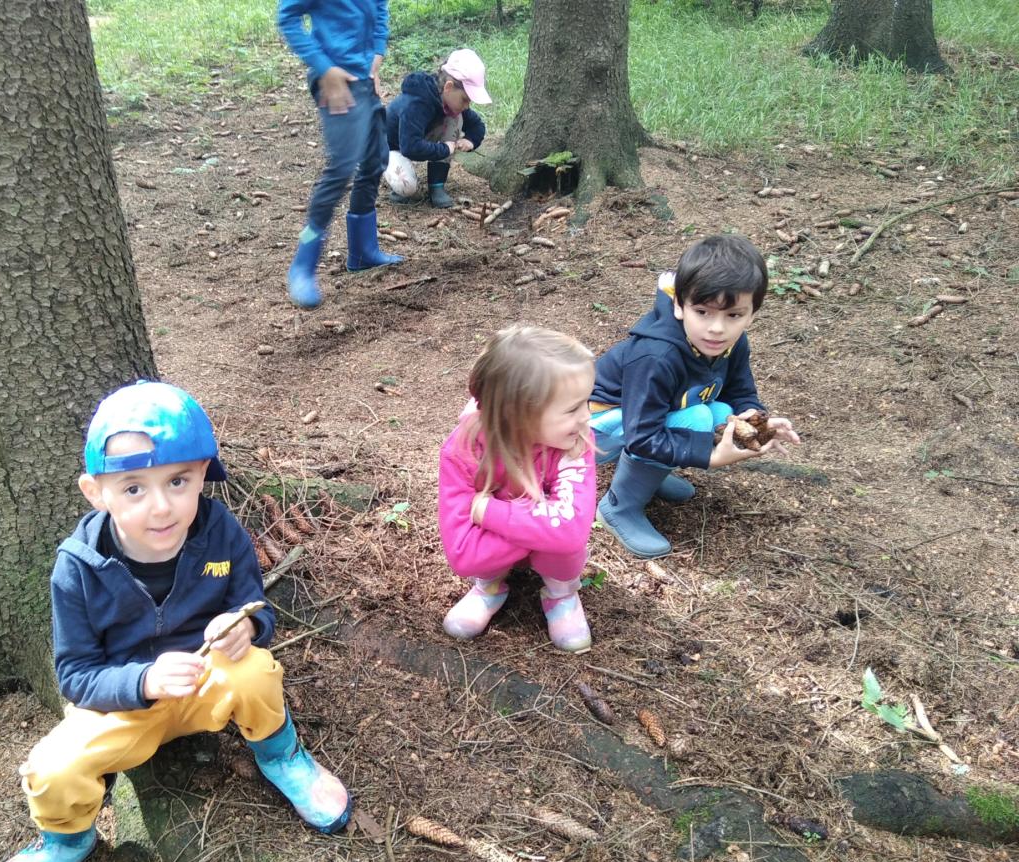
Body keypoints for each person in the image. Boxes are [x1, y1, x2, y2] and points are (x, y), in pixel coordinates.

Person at [0, 381, 351, 862]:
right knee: (51, 769)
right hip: (124, 708)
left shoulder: (220, 531)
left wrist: (246, 627)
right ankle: (65, 841)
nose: (161, 506)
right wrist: (144, 681)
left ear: (202, 475)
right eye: (133, 488)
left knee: (254, 671)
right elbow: (75, 675)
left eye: (178, 481)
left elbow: (255, 605)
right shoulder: (77, 567)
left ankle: (281, 756)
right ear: (95, 492)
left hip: (207, 684)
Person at [589, 234, 802, 559]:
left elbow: (739, 391)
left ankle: (649, 476)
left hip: (641, 418)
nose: (717, 328)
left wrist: (757, 419)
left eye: (733, 315)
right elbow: (642, 436)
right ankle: (619, 507)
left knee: (721, 412)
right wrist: (710, 457)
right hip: (594, 429)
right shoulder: (656, 356)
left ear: (752, 314)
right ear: (679, 305)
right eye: (702, 312)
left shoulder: (732, 343)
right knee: (699, 418)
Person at [438, 327, 599, 652]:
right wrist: (543, 527)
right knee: (548, 538)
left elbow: (571, 533)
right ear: (516, 416)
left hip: (520, 545)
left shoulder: (575, 443)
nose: (586, 416)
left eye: (586, 401)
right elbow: (463, 555)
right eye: (572, 409)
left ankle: (562, 592)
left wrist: (489, 511)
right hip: (495, 554)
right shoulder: (464, 452)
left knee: (563, 546)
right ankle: (489, 587)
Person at [278, 0, 403, 310]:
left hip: (364, 78)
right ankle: (303, 265)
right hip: (336, 82)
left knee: (376, 159)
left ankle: (362, 251)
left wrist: (377, 54)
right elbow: (288, 17)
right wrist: (324, 68)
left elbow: (380, 6)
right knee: (342, 167)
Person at [384, 48, 490, 209]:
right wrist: (444, 149)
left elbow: (477, 125)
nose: (467, 106)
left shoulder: (452, 103)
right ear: (448, 87)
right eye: (465, 99)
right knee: (406, 186)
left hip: (414, 141)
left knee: (456, 118)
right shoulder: (416, 103)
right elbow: (410, 147)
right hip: (392, 145)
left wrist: (471, 140)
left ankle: (437, 184)